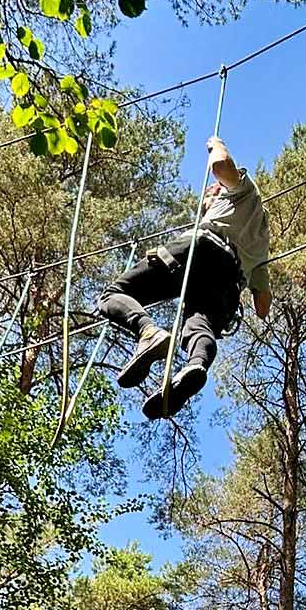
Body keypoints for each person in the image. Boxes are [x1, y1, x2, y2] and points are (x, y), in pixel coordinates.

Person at [97, 135, 272, 418]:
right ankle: (194, 366)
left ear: (220, 192)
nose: (206, 198)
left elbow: (220, 166)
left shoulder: (243, 193)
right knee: (199, 325)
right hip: (229, 281)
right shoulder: (262, 244)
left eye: (210, 193)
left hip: (202, 249)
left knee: (112, 295)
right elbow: (262, 307)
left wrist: (216, 144)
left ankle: (148, 332)